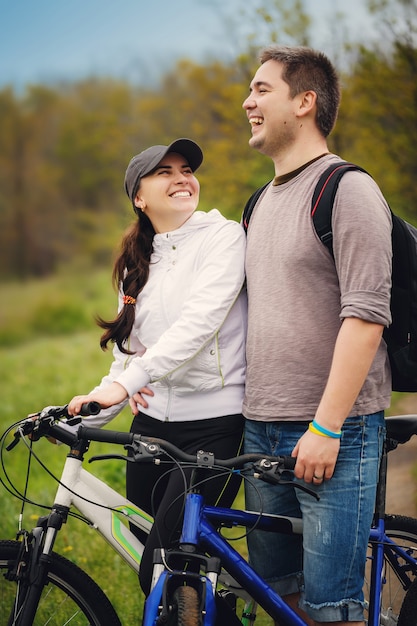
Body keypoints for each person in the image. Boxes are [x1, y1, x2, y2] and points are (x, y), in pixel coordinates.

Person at [241, 46, 392, 625]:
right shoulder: (258, 203)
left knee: (331, 613)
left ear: (304, 103)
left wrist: (326, 427)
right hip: (261, 430)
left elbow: (366, 318)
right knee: (279, 601)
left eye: (261, 90)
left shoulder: (346, 190)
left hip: (336, 433)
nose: (248, 102)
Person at [68, 138, 247, 603]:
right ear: (139, 197)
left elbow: (199, 325)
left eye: (186, 169)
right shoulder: (136, 262)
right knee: (166, 577)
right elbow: (130, 351)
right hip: (150, 431)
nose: (181, 178)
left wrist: (129, 382)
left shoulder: (223, 238)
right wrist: (86, 416)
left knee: (164, 565)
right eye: (164, 172)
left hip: (216, 427)